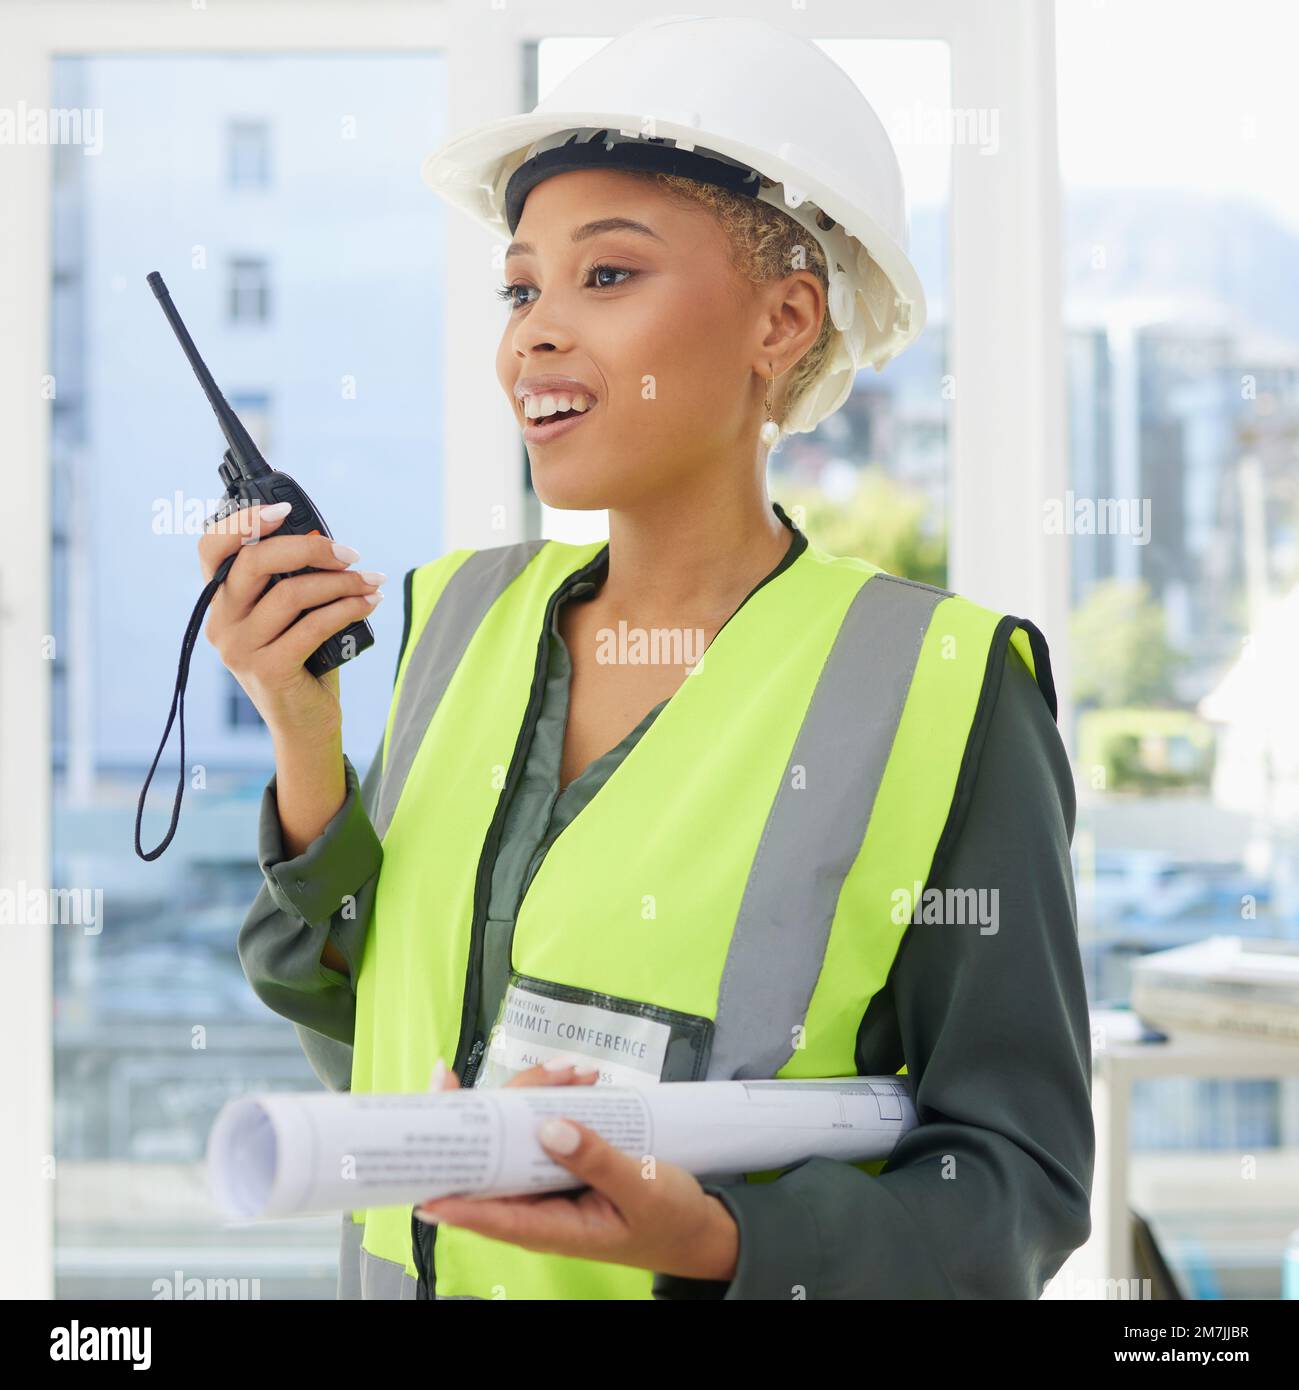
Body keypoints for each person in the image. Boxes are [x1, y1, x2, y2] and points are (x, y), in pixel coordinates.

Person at [203, 15, 1094, 1300]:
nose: (535, 336)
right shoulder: (456, 621)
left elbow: (1017, 1178)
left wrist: (727, 1246)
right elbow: (370, 1045)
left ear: (782, 321)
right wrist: (300, 729)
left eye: (605, 277)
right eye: (522, 287)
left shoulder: (945, 688)